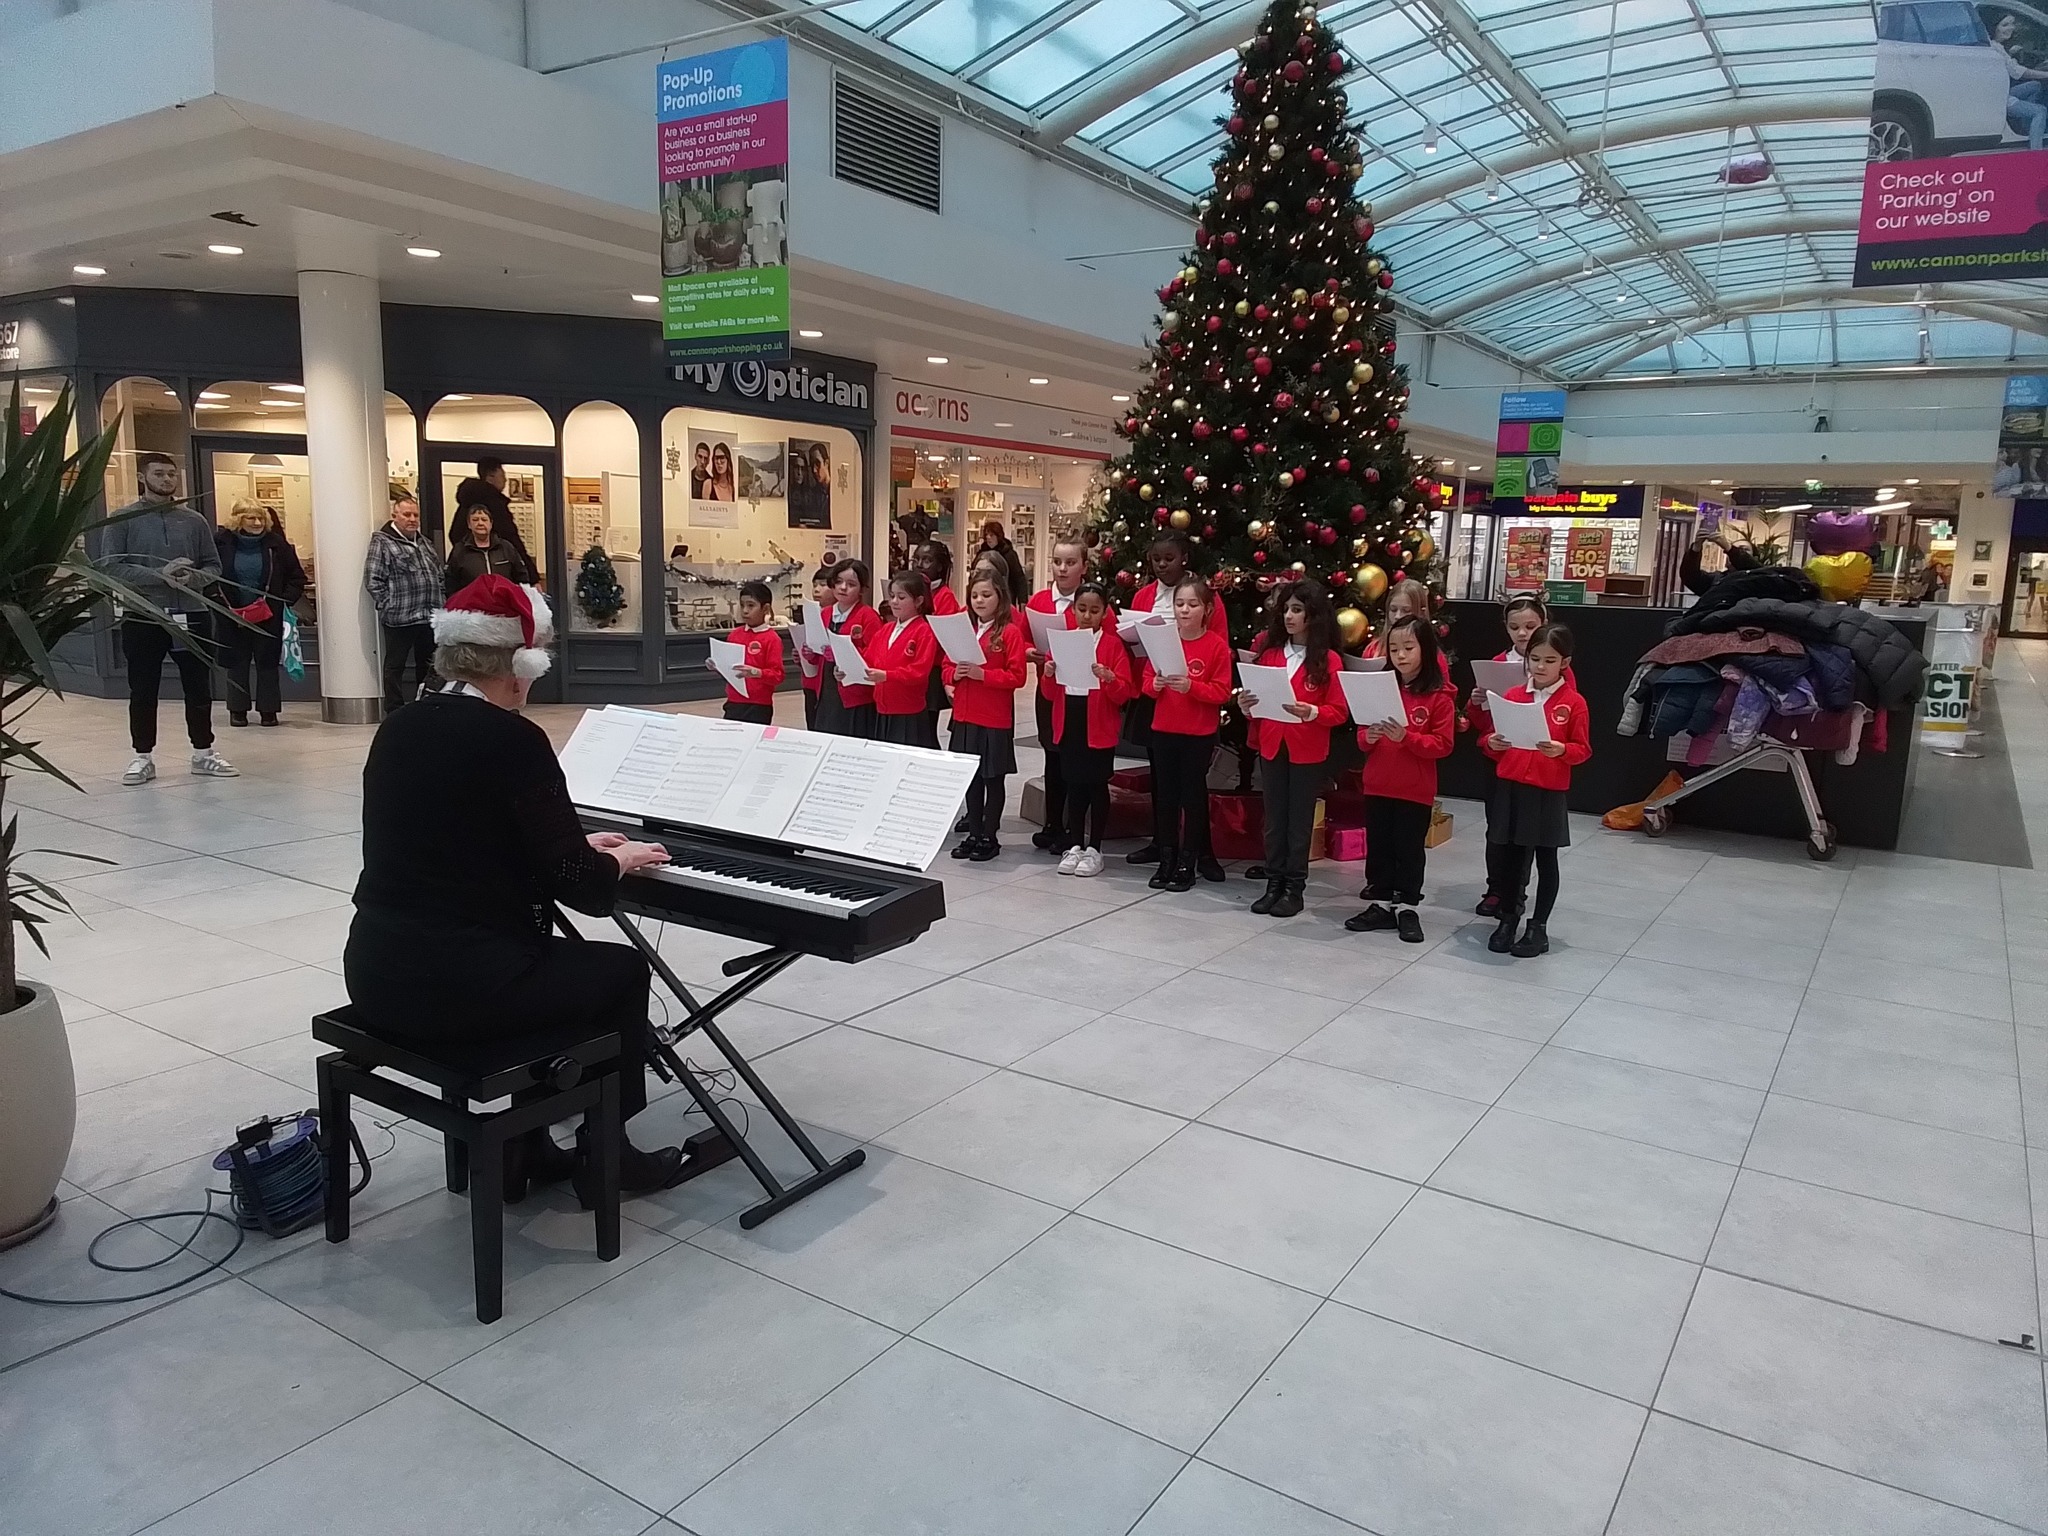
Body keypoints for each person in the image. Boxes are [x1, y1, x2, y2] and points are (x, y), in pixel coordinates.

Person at [343, 575, 686, 1199]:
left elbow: (459, 837)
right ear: (520, 666)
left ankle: (526, 1146)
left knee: (548, 968)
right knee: (620, 971)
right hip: (457, 990)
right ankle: (608, 1158)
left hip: (375, 971)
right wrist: (618, 859)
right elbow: (582, 890)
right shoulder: (513, 738)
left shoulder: (401, 725)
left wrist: (571, 843)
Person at [96, 452, 237, 785]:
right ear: (142, 477)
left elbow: (213, 566)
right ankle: (142, 757)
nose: (167, 479)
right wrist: (159, 576)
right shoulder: (122, 519)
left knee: (198, 686)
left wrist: (192, 578)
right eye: (159, 474)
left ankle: (203, 752)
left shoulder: (194, 521)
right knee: (143, 687)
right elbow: (110, 567)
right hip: (144, 614)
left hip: (192, 613)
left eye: (172, 474)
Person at [1237, 579, 1346, 918]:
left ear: (1313, 615)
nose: (1288, 616)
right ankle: (1273, 882)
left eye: (1296, 610)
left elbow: (1339, 711)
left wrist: (1311, 712)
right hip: (1272, 744)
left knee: (1298, 821)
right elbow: (1258, 701)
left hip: (1307, 748)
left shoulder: (1328, 660)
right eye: (1285, 609)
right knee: (1274, 819)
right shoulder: (1270, 655)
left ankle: (1294, 888)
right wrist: (1246, 706)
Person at [1483, 623, 1591, 959]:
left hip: (1547, 792)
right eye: (1535, 659)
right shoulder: (1513, 696)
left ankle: (1538, 926)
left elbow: (1583, 749)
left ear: (1565, 663)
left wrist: (1563, 750)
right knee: (1513, 859)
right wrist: (1492, 742)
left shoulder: (1573, 703)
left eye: (1549, 660)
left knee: (1546, 858)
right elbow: (1491, 739)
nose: (1540, 666)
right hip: (1513, 787)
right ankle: (1508, 919)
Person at [1345, 616, 1455, 943]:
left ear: (1425, 649)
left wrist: (1408, 738)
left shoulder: (1438, 696)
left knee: (1409, 850)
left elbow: (1443, 744)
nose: (1401, 655)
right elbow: (1362, 735)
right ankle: (1380, 903)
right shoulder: (1381, 688)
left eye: (1408, 647)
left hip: (1414, 790)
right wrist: (1369, 736)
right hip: (1378, 783)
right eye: (1394, 649)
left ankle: (1407, 906)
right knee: (1379, 846)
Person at [1125, 533, 1227, 869]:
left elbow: (1217, 646)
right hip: (1157, 691)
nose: (1162, 565)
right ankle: (1163, 845)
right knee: (1162, 778)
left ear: (1184, 558)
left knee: (1193, 785)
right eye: (1156, 559)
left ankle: (1200, 852)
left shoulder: (1205, 596)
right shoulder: (1144, 595)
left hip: (1194, 695)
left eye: (1169, 559)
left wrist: (1192, 682)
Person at [1138, 577, 1234, 890]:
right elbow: (1147, 681)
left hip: (1197, 733)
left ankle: (1187, 863)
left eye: (1192, 604)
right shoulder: (1164, 641)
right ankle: (1166, 859)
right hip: (1164, 729)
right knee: (1165, 797)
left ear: (1207, 609)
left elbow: (1222, 692)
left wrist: (1192, 687)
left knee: (1192, 798)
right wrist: (1154, 685)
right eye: (1179, 604)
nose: (1184, 610)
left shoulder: (1216, 646)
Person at [1042, 581, 1132, 878]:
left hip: (1098, 724)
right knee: (1074, 784)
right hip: (1070, 719)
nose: (1087, 616)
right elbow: (1049, 694)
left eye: (1094, 610)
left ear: (1104, 612)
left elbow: (1124, 693)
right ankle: (1075, 844)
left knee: (1096, 784)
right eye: (1082, 609)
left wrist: (1109, 678)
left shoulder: (1112, 645)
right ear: (1073, 610)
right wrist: (1049, 673)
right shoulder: (1062, 641)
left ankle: (1095, 847)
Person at [1468, 592, 1547, 918]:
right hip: (1499, 758)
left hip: (1533, 760)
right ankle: (1495, 889)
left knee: (1525, 830)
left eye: (1530, 626)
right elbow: (1480, 721)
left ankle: (1516, 891)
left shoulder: (1552, 663)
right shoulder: (1497, 664)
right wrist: (1476, 702)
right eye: (1515, 627)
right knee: (1497, 827)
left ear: (1544, 623)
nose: (1522, 633)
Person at [945, 570, 1027, 861]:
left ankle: (989, 836)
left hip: (993, 717)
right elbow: (946, 664)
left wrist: (984, 675)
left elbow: (1017, 676)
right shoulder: (964, 629)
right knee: (971, 779)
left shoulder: (1010, 633)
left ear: (1000, 597)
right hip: (965, 715)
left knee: (993, 779)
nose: (979, 600)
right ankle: (974, 832)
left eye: (986, 595)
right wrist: (953, 674)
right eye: (975, 595)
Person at [212, 498, 307, 728]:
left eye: (260, 518)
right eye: (251, 518)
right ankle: (238, 710)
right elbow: (208, 574)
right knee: (237, 664)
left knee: (267, 664)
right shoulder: (220, 543)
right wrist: (217, 601)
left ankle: (268, 711)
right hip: (232, 615)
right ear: (238, 520)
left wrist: (282, 601)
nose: (257, 523)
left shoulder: (277, 545)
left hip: (268, 615)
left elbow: (297, 578)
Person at [1025, 538, 1088, 854]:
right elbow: (1022, 637)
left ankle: (1071, 827)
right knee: (1051, 754)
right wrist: (1029, 652)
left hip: (1078, 692)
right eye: (1057, 562)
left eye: (1070, 563)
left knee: (1072, 757)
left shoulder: (1088, 602)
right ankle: (1052, 823)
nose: (1062, 569)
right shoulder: (1039, 601)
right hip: (1048, 689)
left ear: (1084, 567)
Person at [367, 493, 444, 714]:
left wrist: (441, 600)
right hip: (399, 618)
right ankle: (394, 710)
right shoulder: (382, 542)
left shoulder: (425, 543)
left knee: (429, 665)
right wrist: (388, 604)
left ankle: (425, 707)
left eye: (415, 515)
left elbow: (439, 574)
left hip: (428, 616)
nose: (412, 519)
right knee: (395, 666)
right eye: (407, 514)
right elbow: (373, 579)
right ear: (395, 516)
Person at [861, 571, 940, 748]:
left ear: (918, 601)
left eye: (901, 597)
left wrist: (887, 675)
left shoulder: (924, 631)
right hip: (883, 707)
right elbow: (868, 659)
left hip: (908, 711)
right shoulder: (886, 629)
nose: (894, 602)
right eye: (892, 596)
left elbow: (919, 672)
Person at [815, 557, 879, 738]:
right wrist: (807, 653)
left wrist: (846, 661)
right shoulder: (825, 613)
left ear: (862, 589)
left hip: (856, 693)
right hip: (827, 688)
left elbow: (874, 655)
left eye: (851, 584)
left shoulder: (868, 616)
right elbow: (817, 650)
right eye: (838, 582)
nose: (843, 588)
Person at [717, 580, 784, 724]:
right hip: (734, 700)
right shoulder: (734, 635)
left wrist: (756, 672)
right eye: (742, 605)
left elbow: (777, 675)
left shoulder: (772, 639)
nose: (745, 610)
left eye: (751, 605)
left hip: (759, 704)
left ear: (765, 608)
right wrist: (717, 664)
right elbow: (729, 669)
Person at [453, 457, 536, 574]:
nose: (505, 480)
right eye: (502, 475)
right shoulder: (495, 503)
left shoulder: (467, 502)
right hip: (498, 569)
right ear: (491, 476)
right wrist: (531, 573)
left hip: (469, 571)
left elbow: (454, 534)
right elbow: (510, 537)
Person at [446, 500, 533, 595]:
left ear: (491, 524)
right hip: (473, 602)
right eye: (475, 520)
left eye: (484, 519)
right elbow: (450, 583)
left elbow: (521, 577)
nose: (480, 523)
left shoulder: (506, 548)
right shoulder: (459, 551)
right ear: (469, 525)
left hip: (504, 601)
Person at [1994, 13, 2048, 149]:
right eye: (2005, 25)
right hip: (2001, 97)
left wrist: (2012, 53)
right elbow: (2018, 72)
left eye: (2012, 24)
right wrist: (2046, 74)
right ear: (1994, 27)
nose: (2011, 28)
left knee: (2035, 85)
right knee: (2040, 111)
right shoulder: (1995, 49)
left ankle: (2029, 128)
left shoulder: (1997, 46)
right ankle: (2035, 152)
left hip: (2002, 91)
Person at [797, 565, 832, 730]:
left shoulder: (835, 617)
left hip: (828, 682)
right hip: (810, 680)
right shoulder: (810, 612)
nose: (817, 590)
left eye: (823, 585)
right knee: (812, 724)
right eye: (815, 585)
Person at [979, 518, 1031, 606]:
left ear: (998, 536)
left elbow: (1019, 578)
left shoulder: (1009, 554)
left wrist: (1022, 601)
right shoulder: (981, 553)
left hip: (1006, 598)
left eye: (991, 535)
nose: (988, 537)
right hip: (984, 597)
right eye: (986, 535)